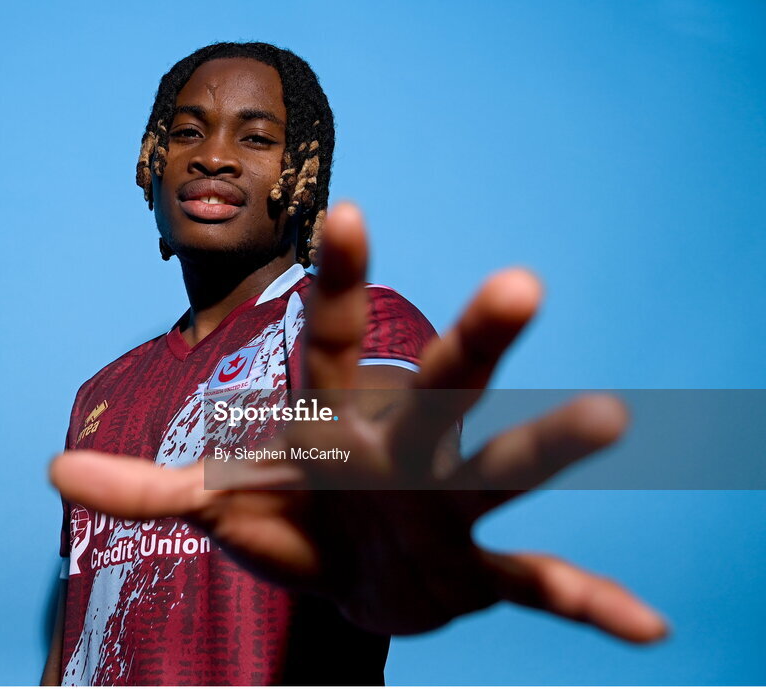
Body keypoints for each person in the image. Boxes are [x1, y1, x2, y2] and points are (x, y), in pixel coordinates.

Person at [41, 42, 667, 686]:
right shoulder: (101, 395)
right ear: (153, 159)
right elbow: (69, 643)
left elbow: (373, 425)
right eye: (188, 131)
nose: (214, 156)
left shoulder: (356, 323)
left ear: (306, 171)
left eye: (256, 139)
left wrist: (381, 474)